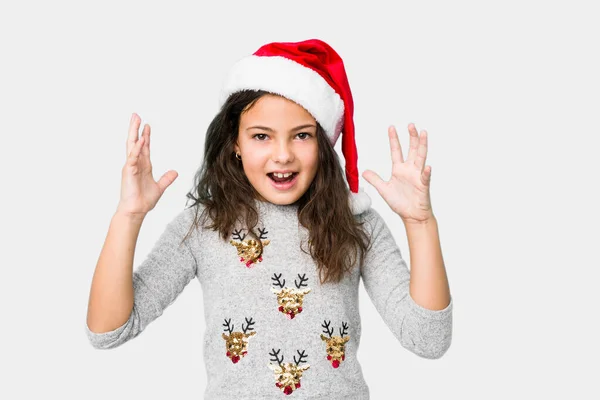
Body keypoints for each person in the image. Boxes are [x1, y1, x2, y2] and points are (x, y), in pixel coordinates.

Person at [85, 38, 453, 399]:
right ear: (235, 143)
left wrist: (420, 224)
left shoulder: (357, 223)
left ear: (323, 143)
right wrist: (128, 216)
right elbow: (108, 330)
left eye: (302, 136)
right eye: (262, 136)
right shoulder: (203, 226)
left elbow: (428, 338)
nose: (282, 155)